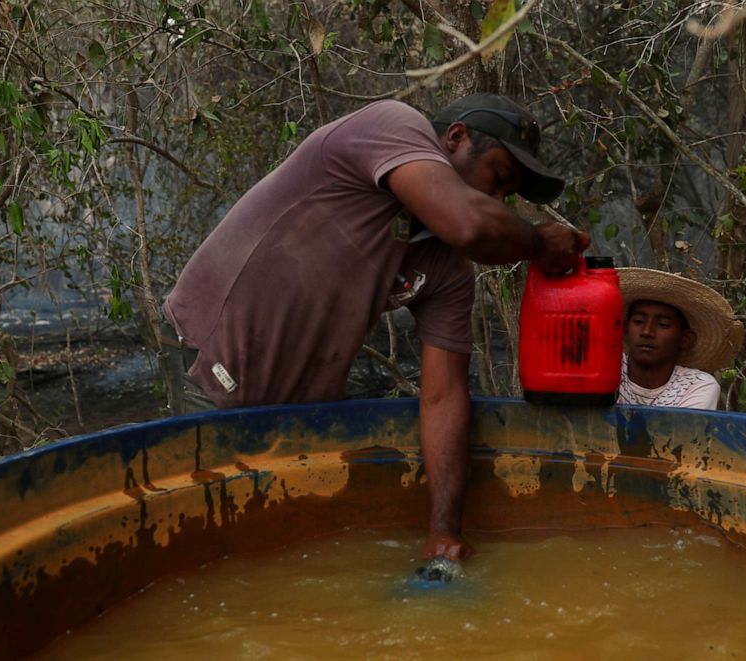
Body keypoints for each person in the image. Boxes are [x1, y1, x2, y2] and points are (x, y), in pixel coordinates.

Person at [159, 93, 590, 564]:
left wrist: (443, 532)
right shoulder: (392, 126)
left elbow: (442, 396)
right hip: (212, 367)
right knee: (209, 552)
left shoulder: (445, 269)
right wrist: (538, 241)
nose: (498, 200)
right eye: (499, 178)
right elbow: (470, 223)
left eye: (509, 196)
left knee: (282, 559)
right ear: (455, 138)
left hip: (300, 411)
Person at [616, 268, 744, 410]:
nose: (647, 332)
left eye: (663, 325)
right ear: (625, 330)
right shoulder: (606, 366)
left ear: (685, 339)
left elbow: (680, 432)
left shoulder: (697, 385)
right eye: (639, 321)